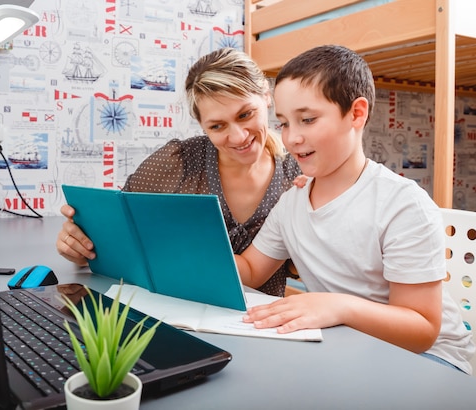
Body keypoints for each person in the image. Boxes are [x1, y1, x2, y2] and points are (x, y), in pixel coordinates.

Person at [235, 44, 475, 373]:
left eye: (307, 119)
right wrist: (189, 253)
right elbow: (250, 269)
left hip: (429, 359)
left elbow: (421, 330)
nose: (292, 138)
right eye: (284, 124)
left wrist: (339, 307)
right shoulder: (291, 202)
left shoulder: (402, 204)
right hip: (350, 342)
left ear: (356, 114)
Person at [57, 47, 303, 296]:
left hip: (261, 327)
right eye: (217, 126)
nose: (238, 136)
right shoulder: (178, 162)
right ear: (201, 125)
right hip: (175, 315)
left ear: (266, 96)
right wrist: (82, 246)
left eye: (245, 114)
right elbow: (118, 230)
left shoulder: (299, 176)